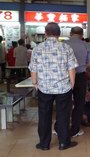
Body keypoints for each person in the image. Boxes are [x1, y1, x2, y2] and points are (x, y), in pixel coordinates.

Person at [29, 22, 79, 150]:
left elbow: (33, 69)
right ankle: (63, 143)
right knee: (63, 115)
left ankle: (44, 144)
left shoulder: (37, 49)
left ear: (45, 33)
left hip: (44, 88)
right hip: (63, 87)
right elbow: (71, 68)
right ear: (59, 34)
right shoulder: (66, 48)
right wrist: (72, 83)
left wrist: (35, 83)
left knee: (44, 115)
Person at [63, 26, 90, 137]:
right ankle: (75, 129)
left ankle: (60, 128)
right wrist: (82, 66)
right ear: (82, 35)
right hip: (80, 76)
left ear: (70, 33)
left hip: (65, 77)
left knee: (64, 103)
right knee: (79, 104)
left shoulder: (63, 44)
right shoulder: (86, 45)